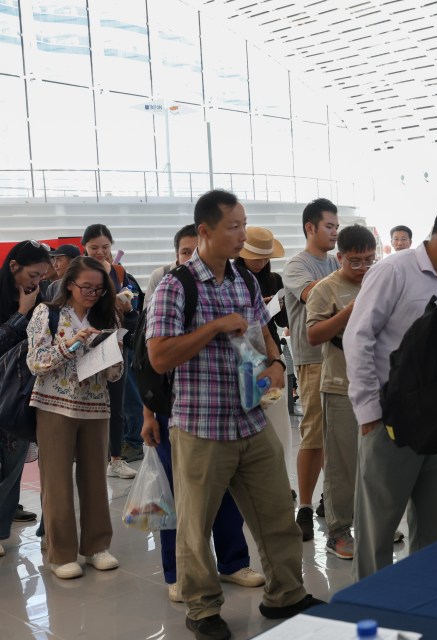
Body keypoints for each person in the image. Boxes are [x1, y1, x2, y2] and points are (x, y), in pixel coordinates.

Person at [147, 189, 319, 639]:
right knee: (195, 525)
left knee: (277, 511)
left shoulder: (243, 279)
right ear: (205, 232)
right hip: (201, 426)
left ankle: (286, 593)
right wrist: (215, 327)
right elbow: (160, 357)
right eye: (234, 227)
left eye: (244, 224)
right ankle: (202, 609)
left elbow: (263, 328)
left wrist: (277, 362)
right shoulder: (175, 286)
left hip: (251, 418)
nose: (243, 234)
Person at [344, 196, 437, 580]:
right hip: (389, 423)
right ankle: (370, 613)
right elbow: (358, 338)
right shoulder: (395, 271)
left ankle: (423, 606)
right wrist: (369, 414)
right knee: (378, 532)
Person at [141, 224, 267, 604]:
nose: (189, 256)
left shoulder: (236, 282)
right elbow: (147, 364)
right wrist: (148, 415)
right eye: (183, 250)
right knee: (180, 497)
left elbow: (257, 337)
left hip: (231, 411)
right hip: (174, 412)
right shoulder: (168, 287)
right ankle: (178, 573)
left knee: (226, 490)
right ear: (176, 254)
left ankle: (232, 561)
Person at [26, 257, 123, 580]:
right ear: (69, 284)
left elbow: (115, 373)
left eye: (98, 288)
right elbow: (36, 362)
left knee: (96, 479)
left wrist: (109, 355)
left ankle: (97, 546)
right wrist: (70, 345)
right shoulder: (47, 313)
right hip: (54, 406)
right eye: (86, 287)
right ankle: (61, 553)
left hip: (96, 406)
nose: (92, 294)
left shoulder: (106, 315)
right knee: (56, 482)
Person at [305, 225, 377, 560]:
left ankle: (374, 524)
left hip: (377, 385)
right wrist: (351, 311)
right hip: (339, 387)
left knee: (376, 461)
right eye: (355, 262)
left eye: (368, 261)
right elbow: (314, 335)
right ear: (340, 258)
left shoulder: (379, 282)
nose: (362, 269)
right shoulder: (326, 289)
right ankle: (338, 531)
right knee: (343, 464)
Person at [282, 198, 339, 541]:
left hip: (342, 357)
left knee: (342, 434)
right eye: (329, 226)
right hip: (313, 358)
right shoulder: (297, 265)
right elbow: (313, 296)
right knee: (314, 433)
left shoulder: (335, 262)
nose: (334, 232)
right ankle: (304, 505)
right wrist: (348, 275)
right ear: (310, 228)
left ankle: (331, 500)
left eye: (337, 227)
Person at [0, 240, 51, 556]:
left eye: (42, 276)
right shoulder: (17, 301)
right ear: (14, 266)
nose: (36, 282)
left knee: (14, 462)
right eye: (33, 274)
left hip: (21, 393)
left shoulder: (40, 299)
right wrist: (21, 313)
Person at [81, 224, 142, 476]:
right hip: (86, 342)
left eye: (105, 247)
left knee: (118, 399)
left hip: (116, 341)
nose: (100, 252)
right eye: (94, 247)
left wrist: (127, 304)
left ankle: (116, 457)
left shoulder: (118, 270)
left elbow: (134, 299)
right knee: (88, 399)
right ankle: (89, 454)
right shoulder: (79, 271)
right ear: (84, 247)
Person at [235, 227, 290, 451]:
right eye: (255, 258)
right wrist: (259, 308)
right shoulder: (234, 279)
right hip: (243, 352)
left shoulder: (274, 279)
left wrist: (278, 305)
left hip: (271, 351)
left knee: (276, 412)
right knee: (250, 413)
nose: (259, 263)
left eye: (265, 258)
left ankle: (282, 473)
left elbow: (282, 322)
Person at [144, 224, 199, 302]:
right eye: (186, 252)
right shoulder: (160, 275)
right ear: (177, 256)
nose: (192, 258)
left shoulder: (214, 277)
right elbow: (148, 313)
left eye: (198, 252)